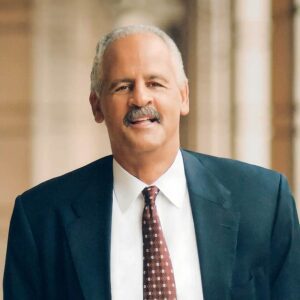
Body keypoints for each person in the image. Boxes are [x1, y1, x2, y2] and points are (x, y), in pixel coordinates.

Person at [3, 24, 300, 300]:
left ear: (183, 97)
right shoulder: (40, 218)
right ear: (97, 106)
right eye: (122, 86)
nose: (140, 98)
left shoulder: (263, 202)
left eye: (155, 83)